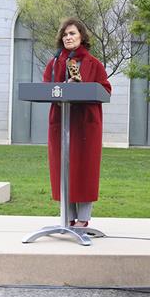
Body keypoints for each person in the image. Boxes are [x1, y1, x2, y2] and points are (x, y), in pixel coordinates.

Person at [42, 18, 111, 226]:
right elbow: (46, 88)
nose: (68, 37)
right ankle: (67, 217)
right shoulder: (54, 63)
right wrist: (65, 85)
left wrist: (83, 87)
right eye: (65, 34)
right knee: (63, 169)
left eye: (72, 33)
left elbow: (106, 90)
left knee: (84, 170)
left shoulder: (94, 63)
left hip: (85, 125)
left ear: (82, 36)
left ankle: (83, 219)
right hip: (61, 122)